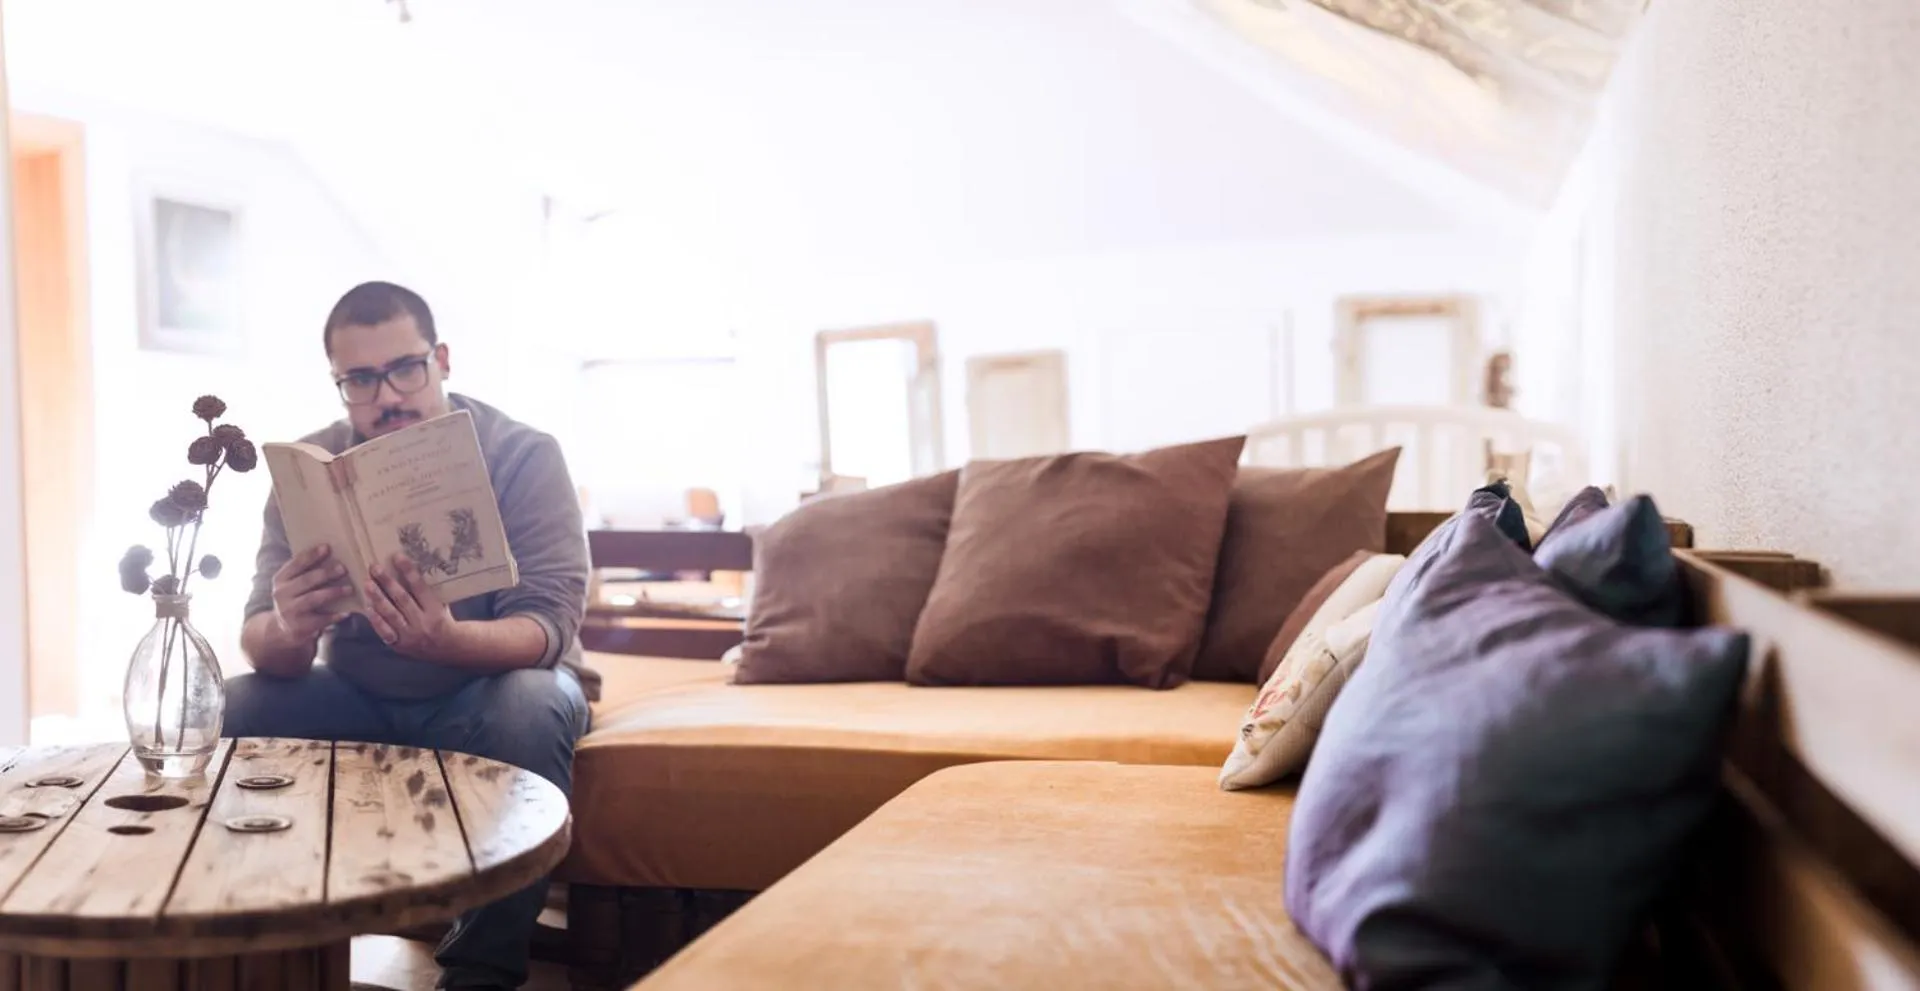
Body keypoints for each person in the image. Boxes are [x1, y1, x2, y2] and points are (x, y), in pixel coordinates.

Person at [229, 281, 595, 990]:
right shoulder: (310, 470)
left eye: (405, 369)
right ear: (339, 383)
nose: (387, 396)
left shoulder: (522, 453)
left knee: (533, 702)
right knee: (239, 704)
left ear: (442, 360)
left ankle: (478, 974)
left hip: (488, 690)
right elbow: (258, 638)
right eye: (360, 380)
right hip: (361, 697)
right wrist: (292, 626)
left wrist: (444, 640)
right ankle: (277, 955)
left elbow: (547, 628)